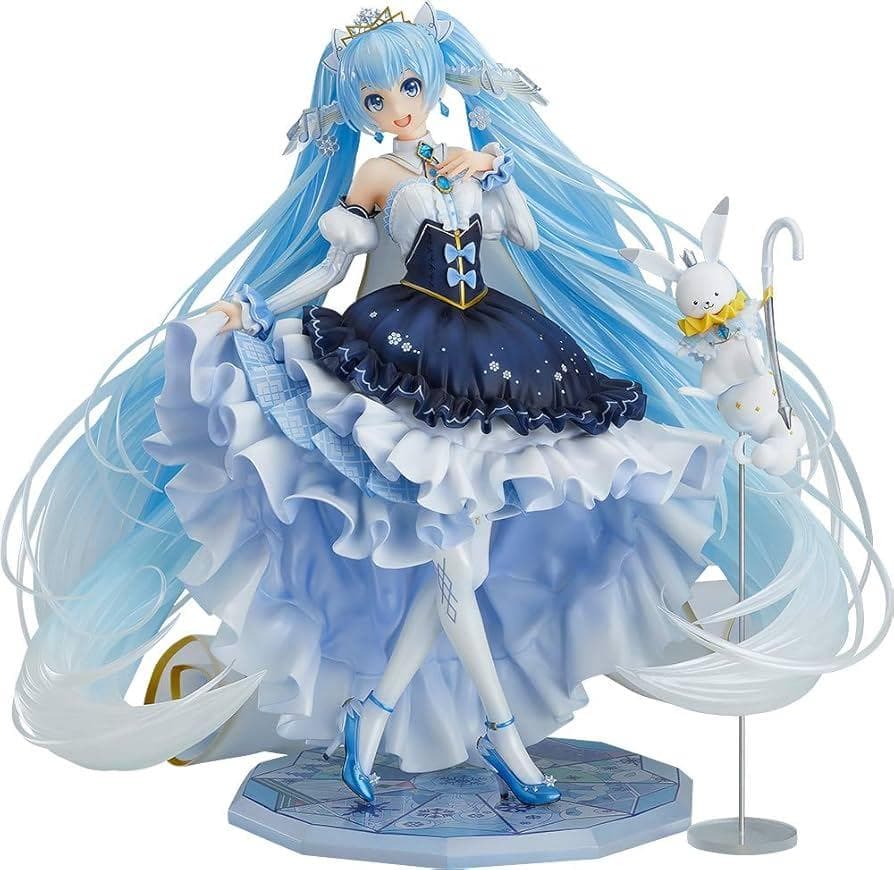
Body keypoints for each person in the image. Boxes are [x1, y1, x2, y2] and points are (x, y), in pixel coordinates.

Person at [7, 3, 885, 810]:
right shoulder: (377, 174)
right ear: (358, 108)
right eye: (376, 97)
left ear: (434, 83)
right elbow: (329, 269)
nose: (397, 108)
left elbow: (528, 240)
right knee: (455, 558)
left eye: (409, 88)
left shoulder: (465, 162)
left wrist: (501, 172)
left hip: (498, 357)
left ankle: (380, 714)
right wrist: (252, 309)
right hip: (408, 357)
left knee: (457, 560)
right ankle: (498, 734)